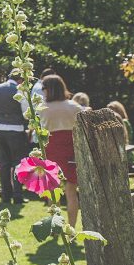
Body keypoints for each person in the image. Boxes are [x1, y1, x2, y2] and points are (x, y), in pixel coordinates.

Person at [38, 75, 84, 227]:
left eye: (43, 88)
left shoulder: (43, 108)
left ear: (48, 89)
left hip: (51, 148)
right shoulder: (74, 106)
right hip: (70, 149)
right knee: (71, 191)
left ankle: (55, 225)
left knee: (53, 189)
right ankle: (71, 227)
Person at [0, 71, 31, 206]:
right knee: (18, 163)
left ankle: (5, 195)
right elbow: (26, 113)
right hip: (16, 130)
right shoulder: (20, 91)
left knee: (4, 164)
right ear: (21, 79)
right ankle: (17, 195)